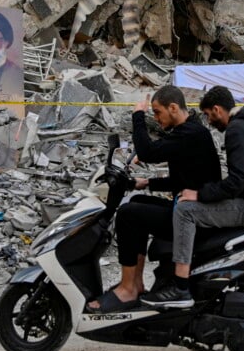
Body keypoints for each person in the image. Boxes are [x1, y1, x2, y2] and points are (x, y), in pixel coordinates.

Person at [141, 85, 244, 309]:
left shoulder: (237, 130)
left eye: (208, 115)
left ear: (217, 110)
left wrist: (199, 194)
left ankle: (180, 287)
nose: (208, 122)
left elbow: (238, 180)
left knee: (185, 211)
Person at [86, 85, 220, 313]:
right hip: (187, 207)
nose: (156, 119)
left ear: (174, 108)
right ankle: (135, 283)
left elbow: (147, 152)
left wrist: (138, 115)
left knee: (129, 215)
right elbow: (181, 180)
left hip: (194, 216)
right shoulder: (190, 132)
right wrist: (146, 183)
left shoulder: (190, 134)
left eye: (158, 112)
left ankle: (128, 289)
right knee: (137, 202)